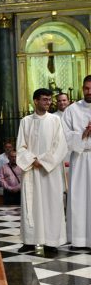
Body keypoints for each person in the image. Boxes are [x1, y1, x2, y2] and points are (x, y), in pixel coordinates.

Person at [16, 88, 68, 254]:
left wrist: (44, 161)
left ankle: (51, 242)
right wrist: (32, 159)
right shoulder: (25, 121)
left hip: (49, 172)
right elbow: (21, 146)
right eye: (44, 99)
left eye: (49, 99)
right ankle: (30, 241)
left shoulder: (55, 120)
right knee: (31, 206)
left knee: (51, 205)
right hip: (31, 170)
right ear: (35, 101)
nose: (48, 102)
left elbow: (60, 145)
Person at [61, 75, 91, 249]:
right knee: (79, 198)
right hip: (80, 159)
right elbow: (64, 134)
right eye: (86, 88)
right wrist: (83, 135)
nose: (89, 92)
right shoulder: (72, 109)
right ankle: (79, 239)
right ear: (82, 88)